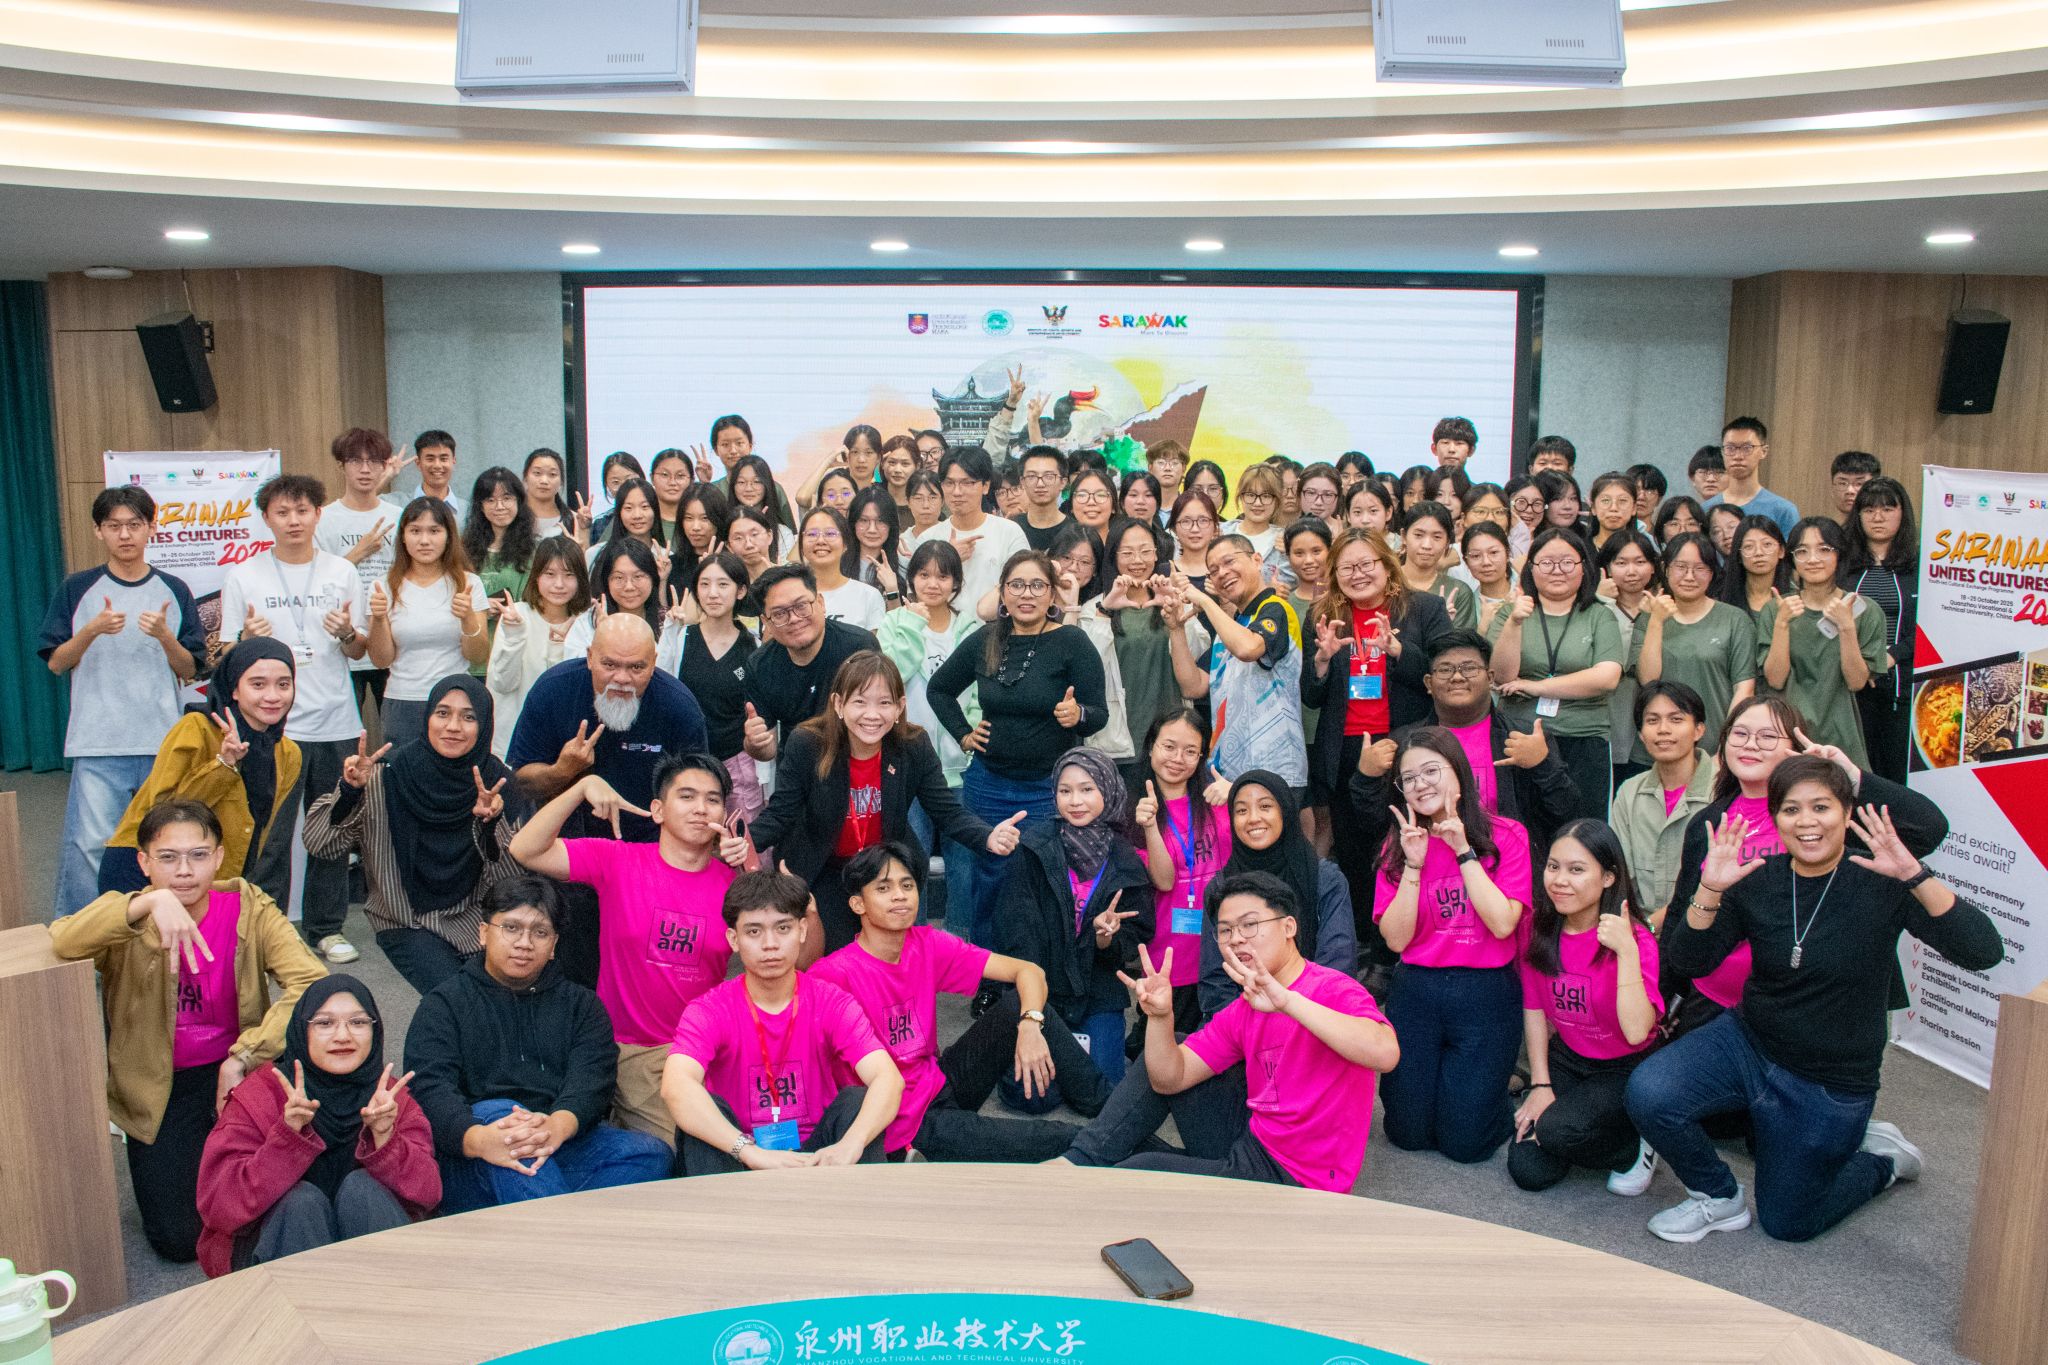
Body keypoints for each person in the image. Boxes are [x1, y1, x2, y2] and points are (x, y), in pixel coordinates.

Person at [1625, 758, 2002, 1243]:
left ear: (1846, 813)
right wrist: (1710, 888)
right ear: (1776, 818)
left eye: (1821, 807)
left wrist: (1913, 873)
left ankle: (1880, 1162)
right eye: (1791, 809)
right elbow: (1690, 960)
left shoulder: (1882, 878)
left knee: (1790, 1223)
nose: (1806, 822)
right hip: (1750, 1043)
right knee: (1649, 1092)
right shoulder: (1758, 878)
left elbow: (1983, 952)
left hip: (1830, 1079)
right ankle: (1717, 1197)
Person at [51, 799, 325, 1262]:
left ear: (218, 857)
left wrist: (245, 1055)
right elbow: (63, 940)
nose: (184, 871)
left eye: (198, 855)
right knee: (178, 1241)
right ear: (143, 862)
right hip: (161, 1088)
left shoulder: (248, 908)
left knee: (290, 1201)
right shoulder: (128, 916)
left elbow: (311, 984)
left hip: (237, 1075)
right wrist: (148, 902)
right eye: (168, 858)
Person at [1065, 871, 1397, 1188]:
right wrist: (1161, 1016)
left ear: (1289, 927)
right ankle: (1077, 1161)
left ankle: (1077, 1162)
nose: (1236, 939)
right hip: (1254, 1143)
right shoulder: (1245, 1007)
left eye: (1250, 925)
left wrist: (1287, 1002)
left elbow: (1385, 1053)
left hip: (1299, 1181)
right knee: (1171, 1048)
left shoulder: (1331, 988)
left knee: (1138, 1173)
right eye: (1225, 931)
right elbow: (1168, 1079)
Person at [1660, 695, 1947, 1042]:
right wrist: (1665, 997)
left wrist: (1851, 775)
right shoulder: (1708, 822)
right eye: (1740, 734)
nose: (1751, 744)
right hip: (1713, 1000)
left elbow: (1929, 828)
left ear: (1795, 749)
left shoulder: (1827, 819)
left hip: (1815, 1007)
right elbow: (1682, 911)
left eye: (1768, 736)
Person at [812, 842, 1102, 1160]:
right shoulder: (833, 974)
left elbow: (1028, 971)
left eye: (907, 885)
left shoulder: (926, 943)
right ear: (858, 904)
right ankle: (1111, 1142)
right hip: (902, 1126)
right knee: (1049, 1138)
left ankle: (1110, 1108)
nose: (899, 896)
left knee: (1021, 1005)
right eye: (884, 888)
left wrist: (1030, 1025)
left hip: (938, 1083)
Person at [511, 757, 742, 1145]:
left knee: (738, 1140)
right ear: (658, 810)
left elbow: (795, 958)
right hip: (631, 1049)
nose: (701, 808)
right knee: (689, 1148)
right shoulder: (619, 860)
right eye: (687, 796)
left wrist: (751, 868)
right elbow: (525, 849)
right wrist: (580, 788)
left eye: (713, 799)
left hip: (705, 1048)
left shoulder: (735, 884)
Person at [406, 876, 671, 1209]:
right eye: (511, 928)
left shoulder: (582, 1006)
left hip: (557, 1141)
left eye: (540, 932)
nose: (524, 943)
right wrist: (478, 1138)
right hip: (475, 1154)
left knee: (649, 1153)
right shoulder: (443, 1004)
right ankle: (556, 1229)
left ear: (555, 944)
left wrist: (558, 1125)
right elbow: (430, 1088)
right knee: (499, 1113)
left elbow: (593, 1079)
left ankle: (536, 1215)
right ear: (483, 933)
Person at [736, 651, 1016, 955]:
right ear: (838, 704)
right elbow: (781, 813)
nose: (872, 714)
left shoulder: (913, 745)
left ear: (899, 707)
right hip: (824, 868)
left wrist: (988, 836)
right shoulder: (808, 743)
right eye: (860, 702)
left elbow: (946, 811)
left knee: (889, 957)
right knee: (833, 957)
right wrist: (742, 843)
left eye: (884, 703)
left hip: (883, 869)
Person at [505, 613, 711, 983]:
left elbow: (697, 795)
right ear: (589, 657)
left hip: (645, 851)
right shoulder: (554, 690)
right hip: (567, 846)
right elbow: (520, 782)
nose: (622, 678)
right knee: (568, 966)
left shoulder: (679, 707)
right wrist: (563, 771)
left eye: (636, 667)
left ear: (654, 664)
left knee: (642, 971)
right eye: (610, 664)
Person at [219, 473, 370, 964]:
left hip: (334, 720)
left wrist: (346, 632)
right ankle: (266, 930)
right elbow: (223, 656)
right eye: (282, 512)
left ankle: (326, 928)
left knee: (331, 828)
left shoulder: (341, 572)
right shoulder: (244, 575)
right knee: (271, 834)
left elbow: (360, 649)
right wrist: (244, 640)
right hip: (271, 728)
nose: (293, 521)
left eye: (303, 511)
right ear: (266, 518)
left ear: (318, 514)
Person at [665, 869, 905, 1173]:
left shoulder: (831, 1001)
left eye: (783, 928)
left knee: (857, 1102)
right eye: (754, 932)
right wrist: (747, 1151)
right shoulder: (709, 1009)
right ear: (733, 939)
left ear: (802, 931)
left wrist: (851, 1143)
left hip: (819, 1157)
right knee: (700, 1120)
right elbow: (676, 1085)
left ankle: (859, 1201)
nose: (770, 944)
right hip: (740, 1156)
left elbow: (888, 1078)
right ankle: (725, 1206)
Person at [195, 976, 437, 1276]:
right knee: (300, 1203)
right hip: (276, 1248)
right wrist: (286, 1138)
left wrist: (387, 1139)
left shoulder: (389, 1097)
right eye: (324, 1023)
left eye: (358, 1022)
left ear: (375, 1031)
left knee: (362, 1190)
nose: (343, 1036)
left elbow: (429, 1193)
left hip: (373, 1250)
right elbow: (218, 1207)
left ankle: (383, 1301)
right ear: (301, 1030)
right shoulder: (259, 1094)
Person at [1343, 631, 1576, 941]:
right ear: (1428, 683)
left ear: (1490, 678)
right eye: (1445, 669)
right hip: (1429, 891)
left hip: (1506, 890)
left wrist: (1542, 765)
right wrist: (1366, 777)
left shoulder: (1522, 739)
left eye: (1469, 668)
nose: (1457, 677)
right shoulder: (1404, 744)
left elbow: (1565, 812)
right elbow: (1373, 824)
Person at [927, 550, 1108, 943]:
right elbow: (938, 689)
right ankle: (988, 968)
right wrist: (963, 734)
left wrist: (1077, 714)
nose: (1027, 594)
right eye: (1017, 585)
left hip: (1048, 788)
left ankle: (1038, 967)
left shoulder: (1072, 642)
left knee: (1038, 880)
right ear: (1003, 593)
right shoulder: (986, 639)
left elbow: (1099, 714)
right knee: (988, 879)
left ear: (1052, 594)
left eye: (1038, 585)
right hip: (988, 784)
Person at [1372, 729, 1533, 1163]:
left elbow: (1503, 924)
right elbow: (1396, 939)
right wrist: (1413, 864)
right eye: (1409, 778)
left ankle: (1496, 1091)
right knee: (1405, 1133)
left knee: (1466, 1144)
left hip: (1485, 990)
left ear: (1459, 773)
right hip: (1417, 989)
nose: (1420, 784)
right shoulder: (1399, 844)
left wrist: (1462, 850)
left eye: (1431, 771)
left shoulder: (1508, 834)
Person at [304, 676, 520, 997]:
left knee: (503, 997)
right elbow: (320, 844)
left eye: (469, 717)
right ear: (427, 717)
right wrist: (349, 791)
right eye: (442, 713)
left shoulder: (497, 782)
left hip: (477, 918)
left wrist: (490, 824)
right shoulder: (386, 774)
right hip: (405, 918)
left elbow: (512, 883)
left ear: (485, 725)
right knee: (456, 997)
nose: (453, 726)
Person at [44, 486, 204, 914]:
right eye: (114, 526)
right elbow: (56, 663)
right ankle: (82, 935)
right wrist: (91, 630)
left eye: (134, 524)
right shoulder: (77, 588)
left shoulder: (174, 589)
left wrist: (165, 637)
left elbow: (190, 669)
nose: (125, 534)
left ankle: (159, 930)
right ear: (99, 531)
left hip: (162, 742)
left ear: (151, 528)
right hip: (98, 741)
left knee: (164, 846)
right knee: (89, 846)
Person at [1511, 820, 1663, 1195]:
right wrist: (1540, 1084)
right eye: (1554, 866)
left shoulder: (1634, 939)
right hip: (1569, 1057)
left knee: (1554, 1130)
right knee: (1528, 1169)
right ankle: (1576, 1127)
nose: (1560, 880)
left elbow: (1636, 1032)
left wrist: (1626, 951)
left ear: (1608, 877)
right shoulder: (1536, 928)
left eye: (1577, 870)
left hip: (1624, 1067)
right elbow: (1534, 1009)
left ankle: (1637, 1146)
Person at [990, 749, 1151, 1100]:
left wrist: (1107, 939)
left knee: (1101, 1096)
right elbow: (1015, 929)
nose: (1075, 801)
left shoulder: (1126, 858)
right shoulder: (1034, 847)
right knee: (1030, 1098)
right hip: (1040, 989)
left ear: (1108, 791)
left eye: (1087, 789)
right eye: (1065, 791)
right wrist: (1031, 1002)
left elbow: (1138, 933)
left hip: (1097, 991)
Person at [1198, 772, 1357, 1016]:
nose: (1253, 818)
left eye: (1265, 807)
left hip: (1315, 1016)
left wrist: (1294, 1016)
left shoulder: (1324, 879)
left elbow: (1339, 962)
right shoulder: (1221, 888)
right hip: (1243, 1022)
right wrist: (1248, 1027)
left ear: (1286, 811)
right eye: (1241, 811)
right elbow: (1215, 980)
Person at [1491, 527, 1623, 820]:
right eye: (1547, 562)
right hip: (1519, 735)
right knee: (1524, 826)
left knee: (1584, 829)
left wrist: (1534, 686)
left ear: (1583, 567)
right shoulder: (1510, 613)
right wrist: (1514, 623)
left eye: (1567, 562)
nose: (1557, 570)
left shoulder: (1599, 615)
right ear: (1531, 568)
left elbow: (1607, 677)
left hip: (1583, 736)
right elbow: (1501, 677)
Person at [1170, 534, 1308, 794]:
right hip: (1229, 771)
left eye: (1229, 562)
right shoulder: (1232, 627)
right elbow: (1193, 686)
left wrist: (1205, 601)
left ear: (1257, 560)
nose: (1222, 573)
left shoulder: (1276, 608)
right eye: (1213, 571)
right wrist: (1176, 628)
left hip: (1275, 768)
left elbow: (1248, 648)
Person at [1127, 710, 1230, 1037]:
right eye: (1168, 747)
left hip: (1223, 948)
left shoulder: (1217, 799)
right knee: (1167, 1042)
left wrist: (1241, 793)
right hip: (1170, 954)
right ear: (1151, 747)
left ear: (1201, 757)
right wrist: (1149, 828)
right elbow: (1164, 880)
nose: (1177, 758)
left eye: (1190, 751)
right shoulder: (1134, 810)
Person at [1759, 518, 1884, 768]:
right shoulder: (1776, 609)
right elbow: (1775, 679)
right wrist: (1782, 623)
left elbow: (1856, 681)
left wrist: (1846, 626)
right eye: (1802, 551)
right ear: (1792, 558)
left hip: (1842, 738)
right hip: (1787, 735)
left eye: (1824, 549)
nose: (1812, 559)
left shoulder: (1864, 609)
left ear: (1840, 554)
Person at [367, 498, 488, 747]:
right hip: (403, 701)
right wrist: (378, 619)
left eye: (434, 531)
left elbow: (478, 655)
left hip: (455, 701)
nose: (424, 540)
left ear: (449, 536)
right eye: (415, 531)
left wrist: (467, 617)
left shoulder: (469, 584)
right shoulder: (383, 586)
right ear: (403, 537)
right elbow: (381, 660)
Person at [1632, 532, 1754, 763]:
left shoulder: (1735, 620)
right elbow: (1647, 679)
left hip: (1715, 747)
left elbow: (1744, 689)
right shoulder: (1648, 619)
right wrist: (1657, 620)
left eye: (1700, 568)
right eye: (1680, 567)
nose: (1689, 576)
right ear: (1666, 569)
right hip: (1658, 748)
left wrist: (1728, 744)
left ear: (1712, 573)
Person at [740, 565, 881, 761]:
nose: (794, 619)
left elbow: (880, 716)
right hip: (798, 764)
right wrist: (754, 743)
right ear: (766, 622)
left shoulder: (859, 646)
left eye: (801, 606)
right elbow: (767, 751)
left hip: (857, 758)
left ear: (820, 603)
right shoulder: (760, 665)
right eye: (779, 614)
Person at [1610, 682, 1717, 925]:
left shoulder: (1721, 791)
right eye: (1652, 720)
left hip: (1703, 925)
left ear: (1699, 730)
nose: (1663, 730)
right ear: (1640, 734)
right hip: (1638, 927)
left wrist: (1652, 927)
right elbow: (1620, 873)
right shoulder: (1629, 792)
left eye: (1676, 719)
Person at [316, 428, 404, 715]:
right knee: (343, 731)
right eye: (356, 461)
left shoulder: (399, 517)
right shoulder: (323, 519)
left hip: (391, 640)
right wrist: (357, 553)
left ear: (385, 466)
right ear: (341, 466)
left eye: (374, 461)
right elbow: (314, 582)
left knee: (394, 729)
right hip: (340, 641)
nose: (365, 470)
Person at [672, 552, 763, 820]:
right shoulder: (680, 638)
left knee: (742, 838)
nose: (713, 593)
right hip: (687, 762)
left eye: (723, 584)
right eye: (704, 584)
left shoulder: (753, 646)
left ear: (740, 590)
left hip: (738, 764)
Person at [1841, 477, 1918, 784]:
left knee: (1896, 778)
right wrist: (1862, 662)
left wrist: (1891, 656)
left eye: (1887, 509)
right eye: (1869, 510)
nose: (1878, 517)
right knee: (1853, 776)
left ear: (1902, 514)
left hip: (1902, 686)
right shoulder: (1843, 565)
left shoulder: (1920, 566)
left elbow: (1929, 626)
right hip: (1850, 687)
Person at [486, 536, 591, 760]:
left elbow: (577, 691)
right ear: (536, 577)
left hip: (567, 743)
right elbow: (502, 683)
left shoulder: (586, 622)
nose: (559, 584)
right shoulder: (517, 615)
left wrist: (562, 646)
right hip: (514, 741)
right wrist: (514, 635)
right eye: (550, 574)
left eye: (569, 575)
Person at [904, 448, 1030, 618]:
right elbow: (915, 597)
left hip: (995, 628)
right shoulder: (927, 539)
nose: (957, 492)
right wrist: (949, 559)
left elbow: (1023, 588)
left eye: (967, 483)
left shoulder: (1009, 532)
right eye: (949, 483)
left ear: (985, 486)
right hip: (942, 629)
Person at [1596, 528, 1660, 787]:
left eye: (1640, 562)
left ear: (1653, 566)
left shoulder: (1664, 608)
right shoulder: (1597, 609)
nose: (1631, 571)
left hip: (1652, 714)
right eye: (1621, 563)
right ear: (1607, 568)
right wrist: (1600, 600)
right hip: (1609, 716)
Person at [564, 538, 682, 674]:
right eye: (619, 578)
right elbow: (574, 672)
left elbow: (670, 675)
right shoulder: (589, 622)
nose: (629, 586)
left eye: (638, 576)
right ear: (607, 581)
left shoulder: (667, 621)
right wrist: (602, 637)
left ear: (652, 578)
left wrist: (671, 629)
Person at [1704, 417, 1799, 537]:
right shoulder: (1706, 509)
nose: (1738, 456)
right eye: (1730, 448)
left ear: (1764, 451)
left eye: (1747, 448)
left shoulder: (1783, 511)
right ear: (1722, 452)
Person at [799, 506, 886, 631]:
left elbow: (873, 643)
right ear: (801, 544)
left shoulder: (868, 596)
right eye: (812, 534)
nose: (820, 541)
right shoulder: (788, 595)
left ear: (845, 544)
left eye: (830, 534)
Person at [461, 467, 536, 610]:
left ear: (518, 501)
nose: (499, 506)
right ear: (480, 506)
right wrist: (481, 606)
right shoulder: (464, 548)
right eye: (490, 500)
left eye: (507, 498)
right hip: (476, 623)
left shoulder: (534, 549)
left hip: (517, 622)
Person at [1399, 501, 1476, 630]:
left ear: (1447, 542)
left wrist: (1443, 624)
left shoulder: (1459, 591)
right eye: (1418, 535)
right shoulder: (1384, 582)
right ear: (1403, 536)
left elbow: (1462, 641)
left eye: (1437, 537)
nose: (1427, 545)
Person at [1718, 514, 1790, 628]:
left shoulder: (1794, 599)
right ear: (1739, 556)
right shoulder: (1722, 601)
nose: (1758, 553)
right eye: (1749, 546)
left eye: (1767, 544)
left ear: (1781, 551)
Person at [847, 485, 906, 610]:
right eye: (864, 520)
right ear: (853, 523)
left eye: (880, 521)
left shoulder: (904, 566)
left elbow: (901, 619)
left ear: (891, 524)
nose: (872, 529)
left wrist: (892, 590)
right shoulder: (838, 564)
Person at [1461, 522, 1518, 644]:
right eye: (1476, 556)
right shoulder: (1466, 603)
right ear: (1466, 561)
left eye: (1493, 553)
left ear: (1508, 554)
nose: (1486, 562)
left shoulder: (1526, 592)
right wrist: (1482, 627)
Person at [1013, 445, 1075, 552]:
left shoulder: (1075, 532)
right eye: (1032, 476)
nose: (1040, 484)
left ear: (1063, 482)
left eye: (1049, 476)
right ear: (1022, 482)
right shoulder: (1013, 528)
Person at [521, 447, 582, 541]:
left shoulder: (574, 520)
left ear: (561, 482)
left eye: (552, 474)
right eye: (537, 473)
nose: (544, 481)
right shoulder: (512, 516)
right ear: (525, 478)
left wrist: (585, 529)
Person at [407, 429, 468, 519]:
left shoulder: (467, 511)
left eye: (443, 459)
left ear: (453, 461)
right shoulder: (398, 504)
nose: (437, 465)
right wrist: (388, 476)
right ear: (418, 463)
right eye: (430, 459)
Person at [1166, 490, 1218, 589]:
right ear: (1174, 529)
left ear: (1215, 527)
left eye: (1203, 520)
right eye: (1186, 521)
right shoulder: (1163, 573)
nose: (1195, 529)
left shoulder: (1225, 572)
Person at [1586, 473, 1640, 552]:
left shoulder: (1643, 552)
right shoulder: (1579, 550)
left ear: (1634, 508)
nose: (1613, 508)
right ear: (1593, 508)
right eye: (1605, 500)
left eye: (1622, 500)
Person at [1828, 450, 1882, 523]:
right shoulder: (1822, 529)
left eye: (1859, 483)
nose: (1849, 491)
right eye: (1843, 483)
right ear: (1832, 490)